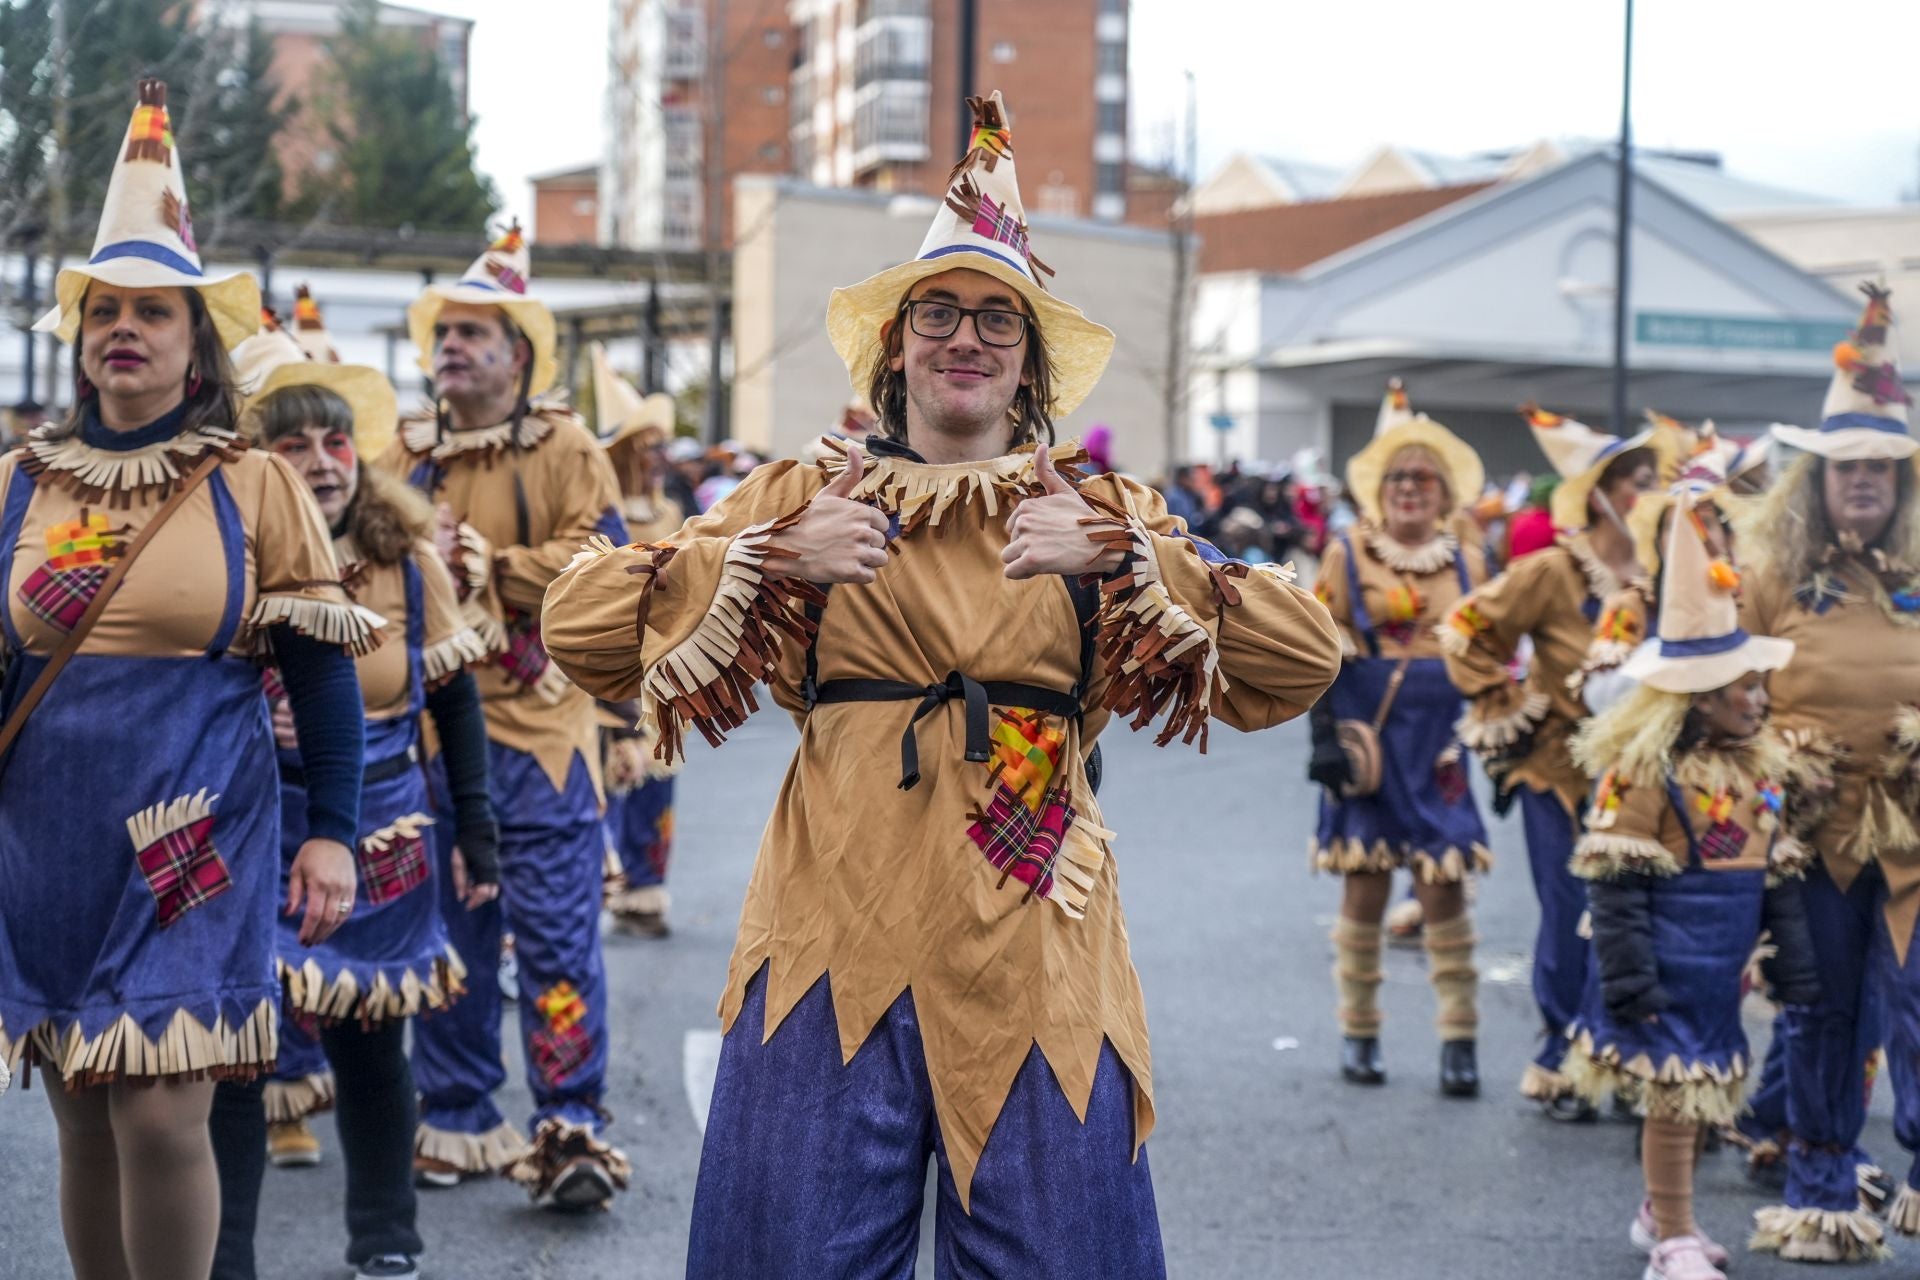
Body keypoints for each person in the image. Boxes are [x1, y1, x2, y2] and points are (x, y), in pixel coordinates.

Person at [542, 91, 1342, 1276]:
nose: (964, 337)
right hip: (827, 939)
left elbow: (1304, 653)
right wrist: (761, 559)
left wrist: (1130, 556)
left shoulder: (1102, 510)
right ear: (895, 347)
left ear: (1025, 366)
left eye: (995, 322)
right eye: (937, 314)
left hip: (1036, 950)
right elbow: (579, 624)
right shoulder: (800, 494)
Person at [0, 79, 372, 1280]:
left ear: (192, 340)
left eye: (153, 312)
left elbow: (319, 678)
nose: (126, 328)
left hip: (194, 823)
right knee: (78, 1103)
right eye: (105, 309)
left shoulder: (252, 484)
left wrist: (335, 833)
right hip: (43, 826)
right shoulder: (16, 483)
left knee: (161, 1106)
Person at [204, 317, 502, 1280]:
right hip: (249, 825)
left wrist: (479, 835)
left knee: (373, 1044)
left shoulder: (408, 562)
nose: (323, 462)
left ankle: (386, 1240)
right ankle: (225, 1256)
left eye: (336, 440)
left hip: (380, 830)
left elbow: (454, 701)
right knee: (237, 1055)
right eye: (293, 444)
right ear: (255, 458)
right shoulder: (220, 556)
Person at [377, 222, 632, 1208]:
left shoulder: (568, 446)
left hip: (537, 740)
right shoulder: (404, 451)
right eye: (444, 332)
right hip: (427, 737)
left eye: (474, 333)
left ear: (518, 354)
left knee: (559, 939)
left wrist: (494, 566)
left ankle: (572, 1123)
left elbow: (607, 560)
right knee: (449, 937)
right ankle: (457, 1113)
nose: (451, 347)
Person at [1562, 485, 1814, 1280]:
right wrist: (1629, 975)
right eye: (1743, 685)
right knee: (1676, 1100)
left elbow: (1773, 881)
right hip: (1664, 975)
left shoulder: (1757, 775)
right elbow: (1614, 885)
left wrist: (1792, 961)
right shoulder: (1642, 774)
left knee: (1705, 1097)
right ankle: (1672, 1238)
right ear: (1697, 699)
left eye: (1756, 683)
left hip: (1719, 978)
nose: (1759, 697)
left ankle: (1657, 1211)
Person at [1743, 284, 1920, 1262]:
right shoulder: (1770, 577)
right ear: (1816, 478)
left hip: (1914, 832)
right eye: (1848, 465)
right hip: (1812, 840)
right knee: (1823, 1011)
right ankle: (1818, 1183)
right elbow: (1716, 699)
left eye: (1882, 468)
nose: (1864, 480)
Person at [1439, 404, 1665, 1117]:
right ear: (1600, 493)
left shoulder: (1676, 574)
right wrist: (1507, 702)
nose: (1648, 494)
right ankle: (1560, 1053)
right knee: (1573, 910)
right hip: (1558, 773)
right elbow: (1465, 627)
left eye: (1656, 481)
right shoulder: (1553, 569)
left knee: (1636, 918)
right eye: (1635, 481)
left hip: (1643, 781)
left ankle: (1618, 1052)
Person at [1307, 378, 1492, 1095]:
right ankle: (1359, 1032)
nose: (1409, 488)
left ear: (1444, 492)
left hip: (1440, 740)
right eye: (1397, 478)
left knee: (1444, 885)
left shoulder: (1473, 563)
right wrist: (1322, 738)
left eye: (1422, 477)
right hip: (1372, 742)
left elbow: (1492, 649)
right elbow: (1316, 647)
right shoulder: (1347, 555)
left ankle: (1460, 1041)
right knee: (1366, 884)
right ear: (1377, 491)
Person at [591, 344, 684, 937]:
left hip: (664, 672)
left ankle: (645, 893)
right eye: (647, 446)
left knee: (657, 789)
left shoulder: (672, 508)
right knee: (599, 792)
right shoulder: (594, 513)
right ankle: (597, 887)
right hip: (604, 677)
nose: (658, 458)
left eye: (659, 446)